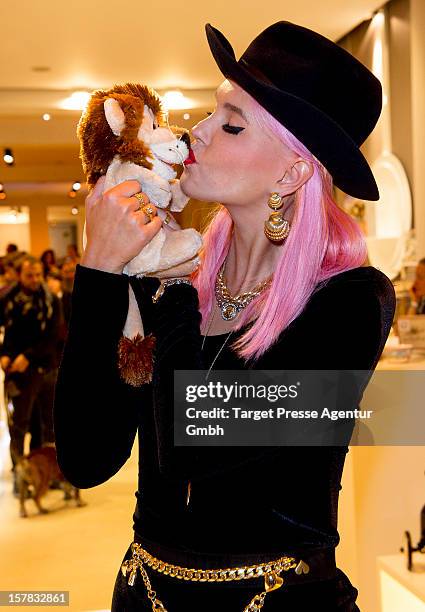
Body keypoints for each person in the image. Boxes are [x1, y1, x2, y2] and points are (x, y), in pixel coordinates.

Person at [53, 21, 396, 611]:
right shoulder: (163, 282)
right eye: (212, 112)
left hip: (276, 600)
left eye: (231, 124)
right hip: (146, 596)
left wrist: (179, 285)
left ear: (290, 173)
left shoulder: (351, 303)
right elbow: (86, 458)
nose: (199, 132)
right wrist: (101, 272)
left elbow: (195, 446)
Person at [0, 256, 63, 493]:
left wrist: (28, 355)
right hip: (19, 373)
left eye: (38, 274)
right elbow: (7, 332)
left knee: (48, 426)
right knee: (20, 425)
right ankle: (21, 477)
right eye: (29, 275)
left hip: (46, 368)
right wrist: (4, 354)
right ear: (19, 275)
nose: (35, 279)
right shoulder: (7, 299)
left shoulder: (50, 300)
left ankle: (49, 473)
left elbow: (52, 337)